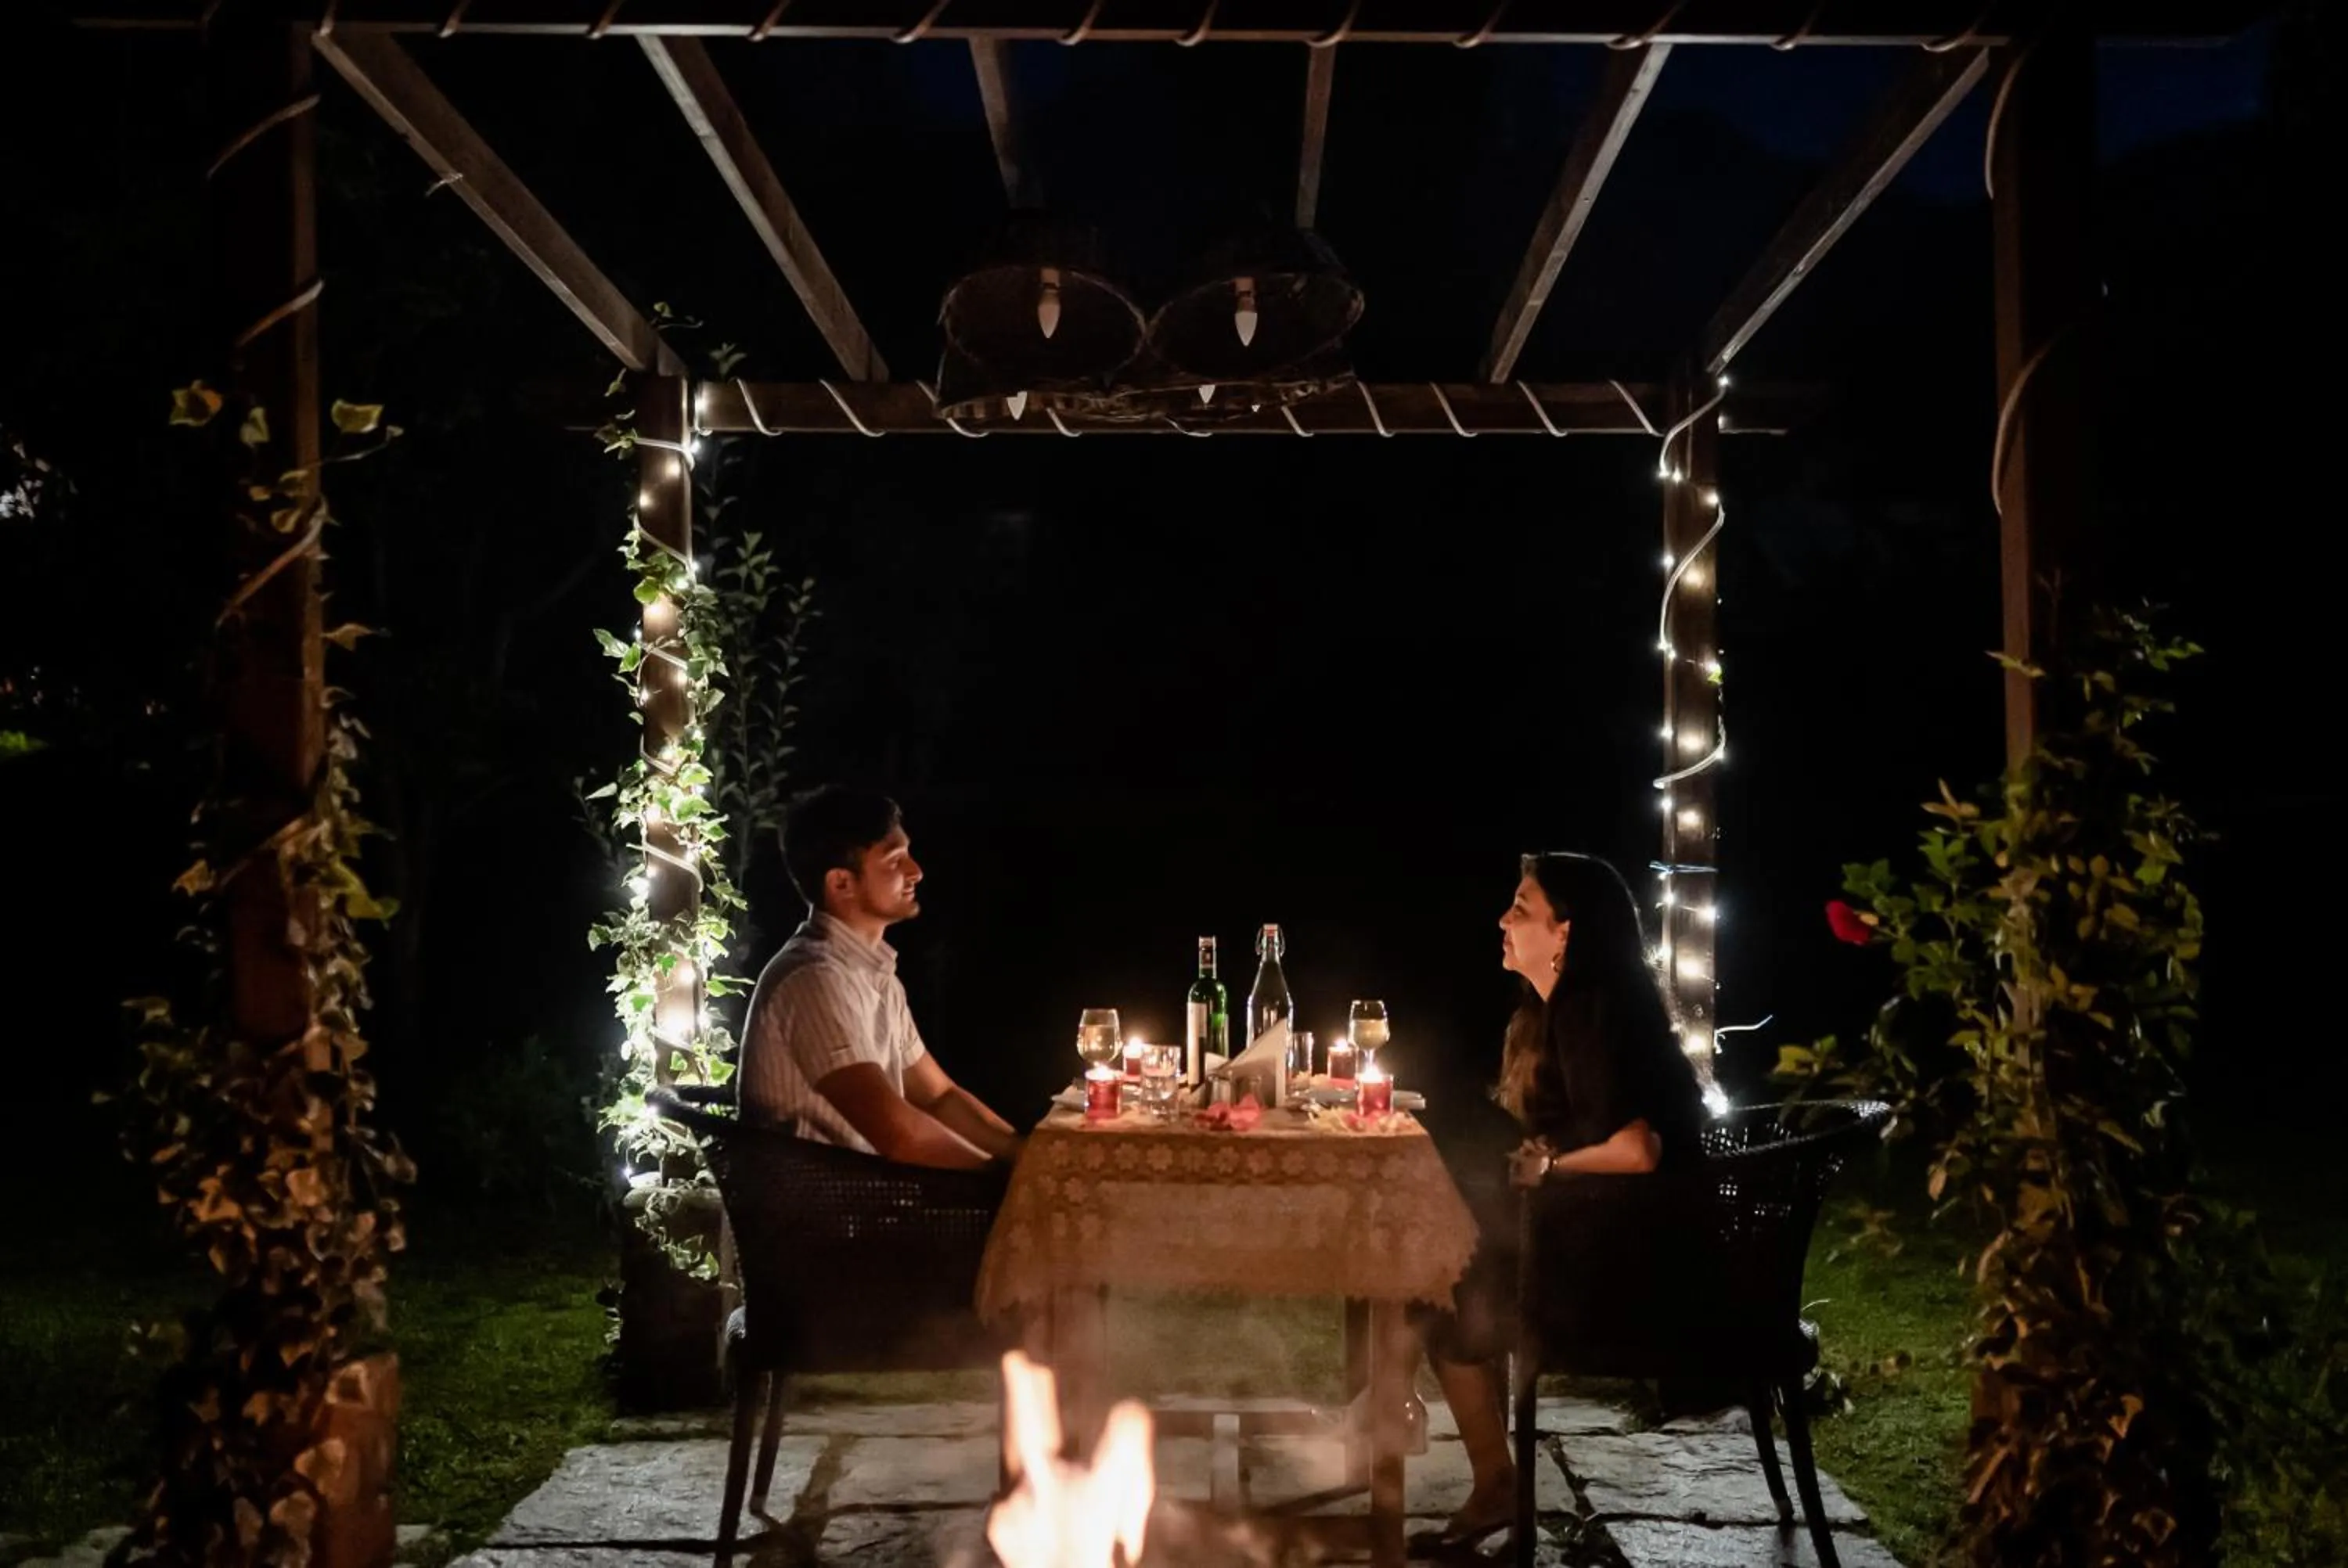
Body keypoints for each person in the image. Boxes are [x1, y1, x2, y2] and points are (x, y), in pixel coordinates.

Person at [1417, 851, 1708, 1543]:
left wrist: (1548, 1171)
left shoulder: (1591, 1013)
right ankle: (1419, 1431)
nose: (1503, 919)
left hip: (1644, 1275)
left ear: (1567, 932)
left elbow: (1639, 1149)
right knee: (1446, 1251)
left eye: (1522, 908)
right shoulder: (1568, 1011)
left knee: (1438, 1286)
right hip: (1624, 1240)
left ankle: (1488, 1481)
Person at [738, 784, 1021, 1170]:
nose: (916, 872)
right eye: (894, 861)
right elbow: (899, 1135)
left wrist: (1029, 1157)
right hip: (820, 1220)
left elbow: (939, 1097)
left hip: (869, 1205)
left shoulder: (874, 974)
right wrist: (1003, 1181)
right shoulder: (814, 980)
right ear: (841, 883)